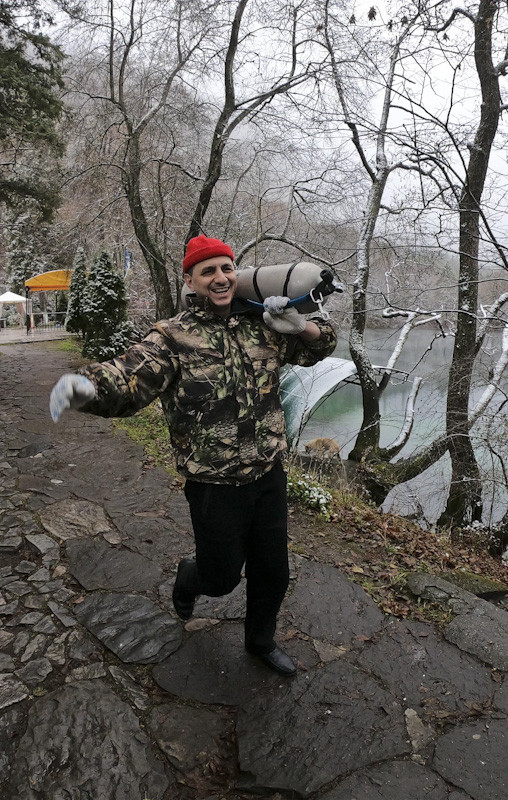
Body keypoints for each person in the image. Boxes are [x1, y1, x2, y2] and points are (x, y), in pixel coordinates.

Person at [48, 235, 337, 676]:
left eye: (226, 268)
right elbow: (131, 375)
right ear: (190, 280)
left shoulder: (262, 322)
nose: (220, 278)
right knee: (220, 579)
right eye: (208, 271)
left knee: (273, 572)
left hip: (268, 473)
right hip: (213, 484)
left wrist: (302, 326)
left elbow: (324, 347)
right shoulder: (173, 336)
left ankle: (260, 640)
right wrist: (87, 387)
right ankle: (190, 576)